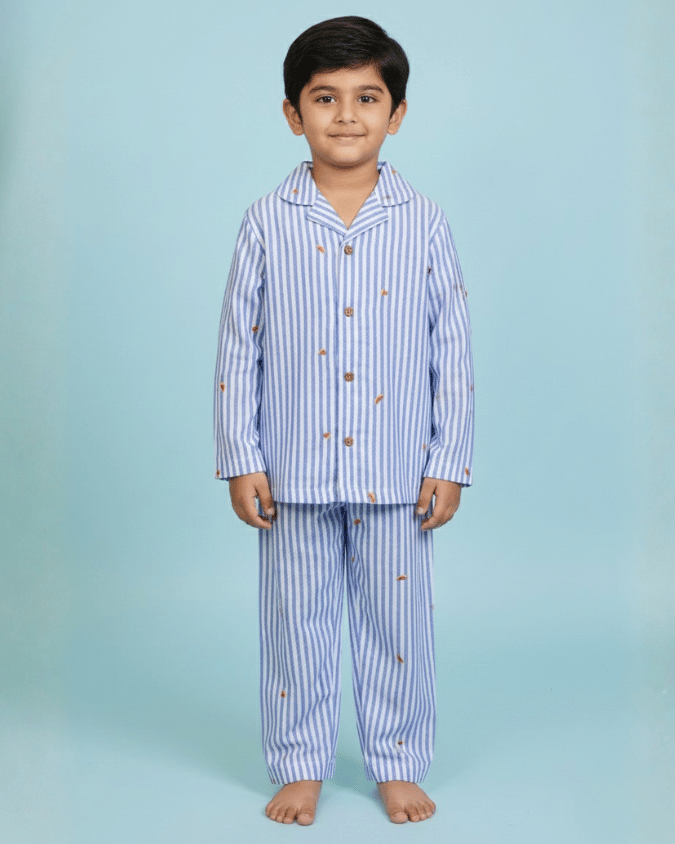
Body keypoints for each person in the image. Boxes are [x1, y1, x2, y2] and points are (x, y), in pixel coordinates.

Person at [213, 15, 474, 826]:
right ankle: (299, 763)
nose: (347, 115)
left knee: (396, 623)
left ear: (397, 112)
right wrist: (240, 457)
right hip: (292, 467)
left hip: (397, 468)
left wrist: (448, 460)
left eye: (367, 97)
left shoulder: (423, 220)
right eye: (324, 98)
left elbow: (453, 349)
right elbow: (235, 348)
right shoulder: (266, 220)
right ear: (293, 113)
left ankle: (396, 760)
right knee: (297, 620)